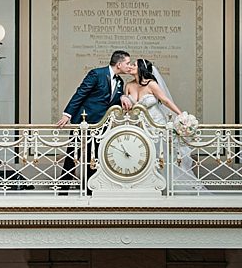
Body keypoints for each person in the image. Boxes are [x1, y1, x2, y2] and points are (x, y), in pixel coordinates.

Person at [55, 50, 135, 191]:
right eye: (127, 63)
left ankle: (89, 188)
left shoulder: (120, 81)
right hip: (84, 122)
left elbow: (112, 102)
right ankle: (63, 188)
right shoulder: (97, 74)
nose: (129, 66)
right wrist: (67, 114)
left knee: (94, 155)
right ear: (119, 63)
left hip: (101, 125)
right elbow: (80, 93)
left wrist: (122, 96)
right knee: (73, 153)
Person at [125, 58, 207, 192]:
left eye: (134, 65)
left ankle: (166, 185)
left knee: (162, 154)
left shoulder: (151, 84)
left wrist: (181, 115)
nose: (131, 67)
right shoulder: (128, 85)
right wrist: (124, 98)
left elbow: (166, 101)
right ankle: (147, 186)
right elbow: (127, 106)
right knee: (143, 154)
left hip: (157, 124)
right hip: (140, 125)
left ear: (141, 68)